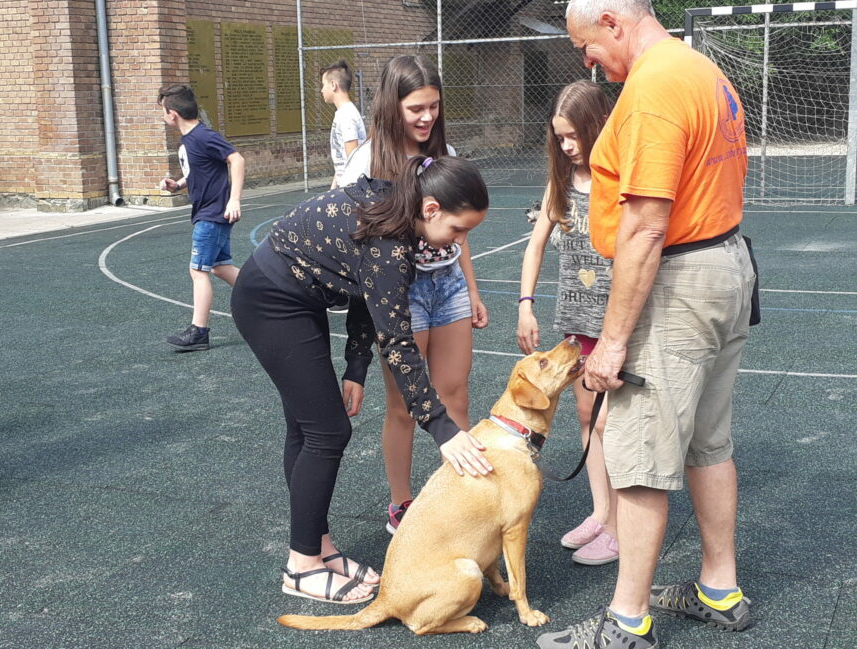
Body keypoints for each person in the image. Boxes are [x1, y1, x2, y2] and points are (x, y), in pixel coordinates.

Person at [536, 2, 755, 647]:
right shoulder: (699, 68)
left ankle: (626, 623)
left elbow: (645, 225)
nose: (586, 61)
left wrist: (612, 341)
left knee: (637, 458)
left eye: (586, 45)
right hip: (724, 264)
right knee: (709, 443)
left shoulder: (655, 86)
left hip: (679, 281)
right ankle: (721, 590)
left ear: (612, 21)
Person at [230, 156, 494, 605]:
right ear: (431, 209)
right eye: (458, 230)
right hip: (271, 300)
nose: (459, 242)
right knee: (327, 431)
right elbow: (397, 342)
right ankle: (301, 566)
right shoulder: (393, 243)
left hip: (296, 297)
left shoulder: (396, 212)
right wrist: (442, 427)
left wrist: (355, 369)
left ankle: (319, 547)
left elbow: (363, 292)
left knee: (307, 427)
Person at [339, 55, 489, 535]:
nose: (427, 118)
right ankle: (402, 504)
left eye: (434, 107)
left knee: (455, 395)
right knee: (404, 404)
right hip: (398, 294)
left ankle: (461, 497)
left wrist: (471, 287)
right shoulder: (365, 162)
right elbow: (354, 242)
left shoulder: (441, 152)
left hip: (447, 286)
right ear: (391, 106)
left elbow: (460, 229)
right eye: (416, 108)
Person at [517, 80, 618, 566]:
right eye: (560, 137)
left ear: (598, 126)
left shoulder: (615, 180)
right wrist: (525, 303)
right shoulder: (560, 182)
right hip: (576, 322)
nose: (567, 146)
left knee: (610, 423)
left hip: (615, 324)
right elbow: (536, 245)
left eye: (575, 135)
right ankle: (602, 512)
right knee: (585, 418)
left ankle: (620, 527)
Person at [158, 83, 246, 352]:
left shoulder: (203, 136)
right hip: (207, 212)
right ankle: (267, 296)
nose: (162, 116)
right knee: (220, 267)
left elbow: (237, 159)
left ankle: (199, 331)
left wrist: (234, 199)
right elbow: (202, 169)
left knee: (198, 271)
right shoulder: (190, 140)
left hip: (212, 214)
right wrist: (179, 184)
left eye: (163, 111)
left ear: (173, 114)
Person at [320, 60, 367, 189]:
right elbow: (342, 160)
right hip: (344, 186)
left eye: (324, 85)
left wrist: (346, 191)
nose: (322, 90)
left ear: (333, 85)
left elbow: (352, 158)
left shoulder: (347, 116)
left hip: (351, 189)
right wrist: (332, 190)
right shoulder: (342, 114)